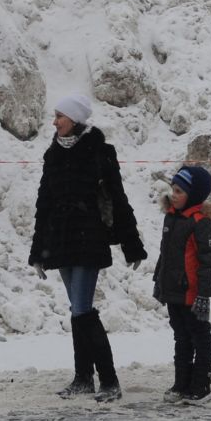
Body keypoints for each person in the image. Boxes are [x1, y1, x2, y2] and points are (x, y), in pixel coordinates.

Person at [28, 94, 146, 403]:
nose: (54, 122)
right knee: (77, 311)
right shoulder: (53, 154)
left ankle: (108, 380)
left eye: (60, 116)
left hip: (89, 240)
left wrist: (131, 244)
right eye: (55, 116)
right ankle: (83, 378)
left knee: (82, 310)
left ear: (75, 119)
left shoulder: (100, 152)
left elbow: (117, 199)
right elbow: (44, 204)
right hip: (61, 243)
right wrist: (38, 250)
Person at [153, 164, 211, 404]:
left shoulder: (201, 222)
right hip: (174, 291)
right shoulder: (171, 218)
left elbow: (206, 263)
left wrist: (203, 295)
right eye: (173, 189)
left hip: (193, 293)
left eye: (180, 191)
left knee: (199, 337)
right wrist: (159, 282)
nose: (174, 194)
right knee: (181, 338)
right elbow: (165, 255)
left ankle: (201, 385)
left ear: (194, 195)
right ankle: (182, 383)